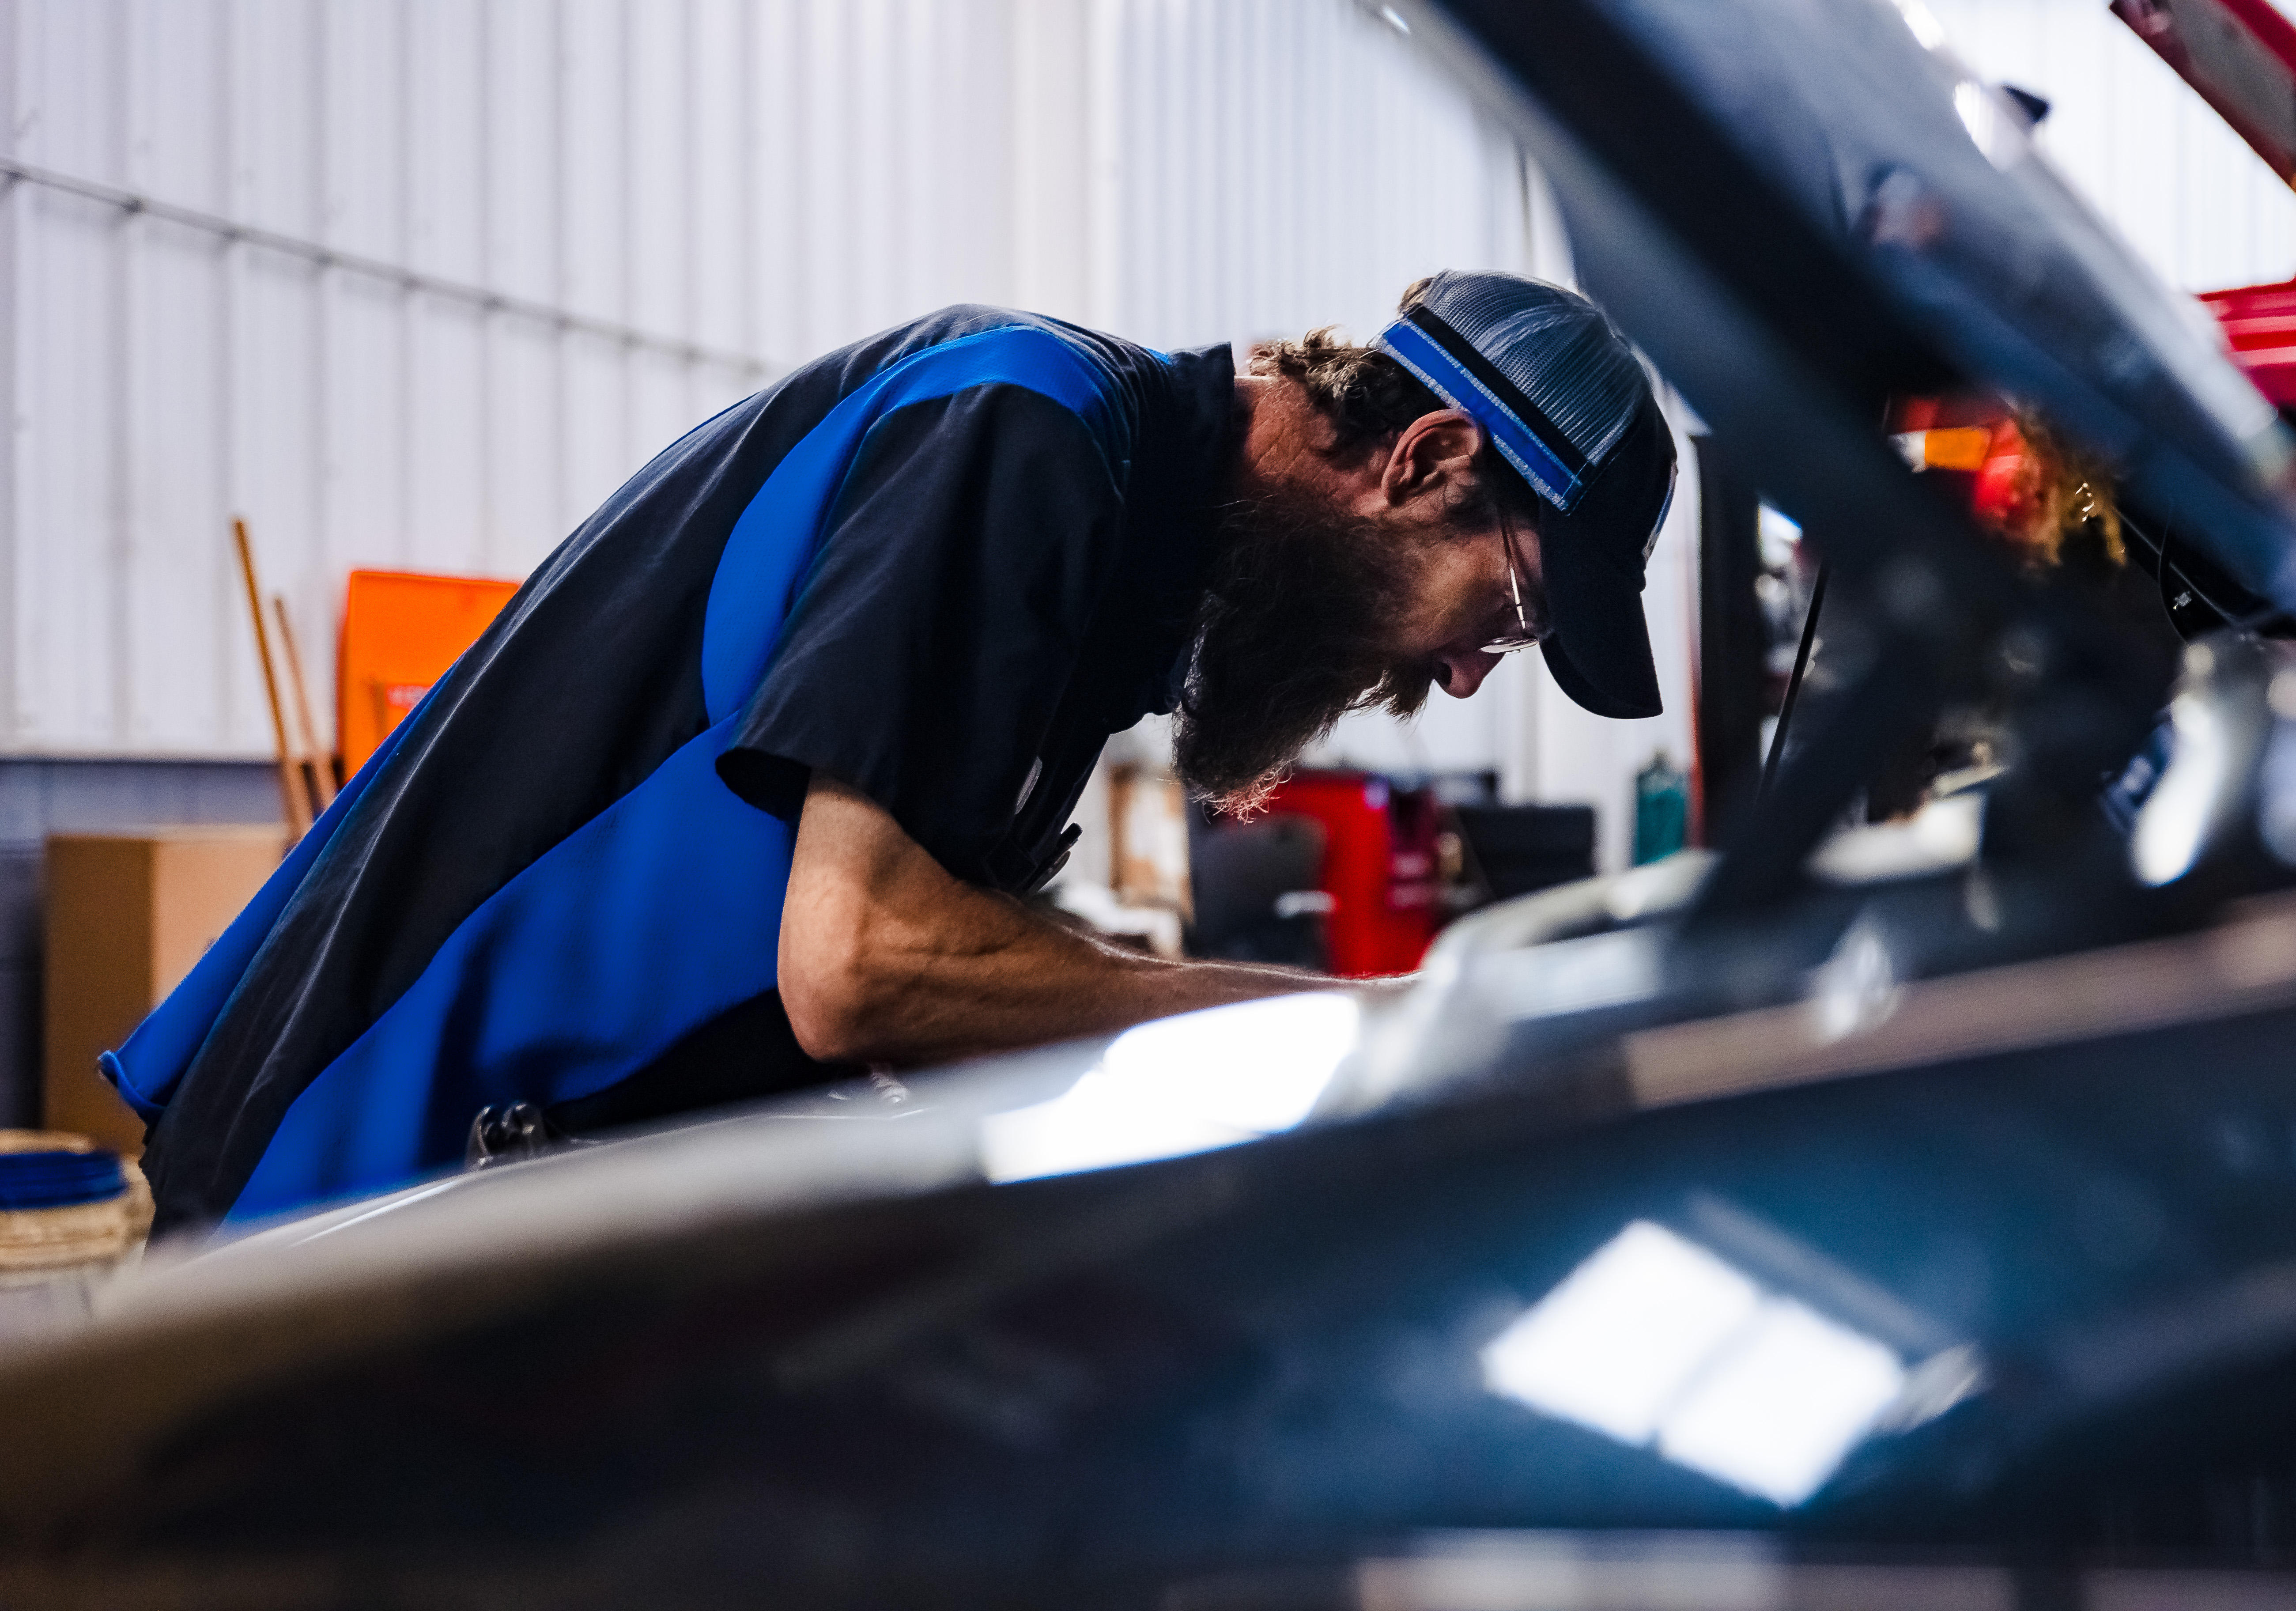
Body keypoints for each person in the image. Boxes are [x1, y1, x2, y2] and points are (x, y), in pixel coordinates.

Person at [115, 269, 1676, 1233]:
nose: (1464, 677)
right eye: (1510, 613)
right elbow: (858, 966)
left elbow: (904, 1002)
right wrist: (1373, 1030)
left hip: (519, 1209)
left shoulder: (1122, 568)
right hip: (347, 1190)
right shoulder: (1025, 429)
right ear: (1426, 459)